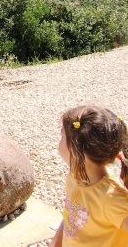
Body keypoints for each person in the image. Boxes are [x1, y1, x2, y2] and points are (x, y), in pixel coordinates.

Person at [49, 105, 128, 247]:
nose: (58, 142)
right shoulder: (75, 177)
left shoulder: (111, 198)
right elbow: (70, 218)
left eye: (62, 136)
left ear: (75, 149)